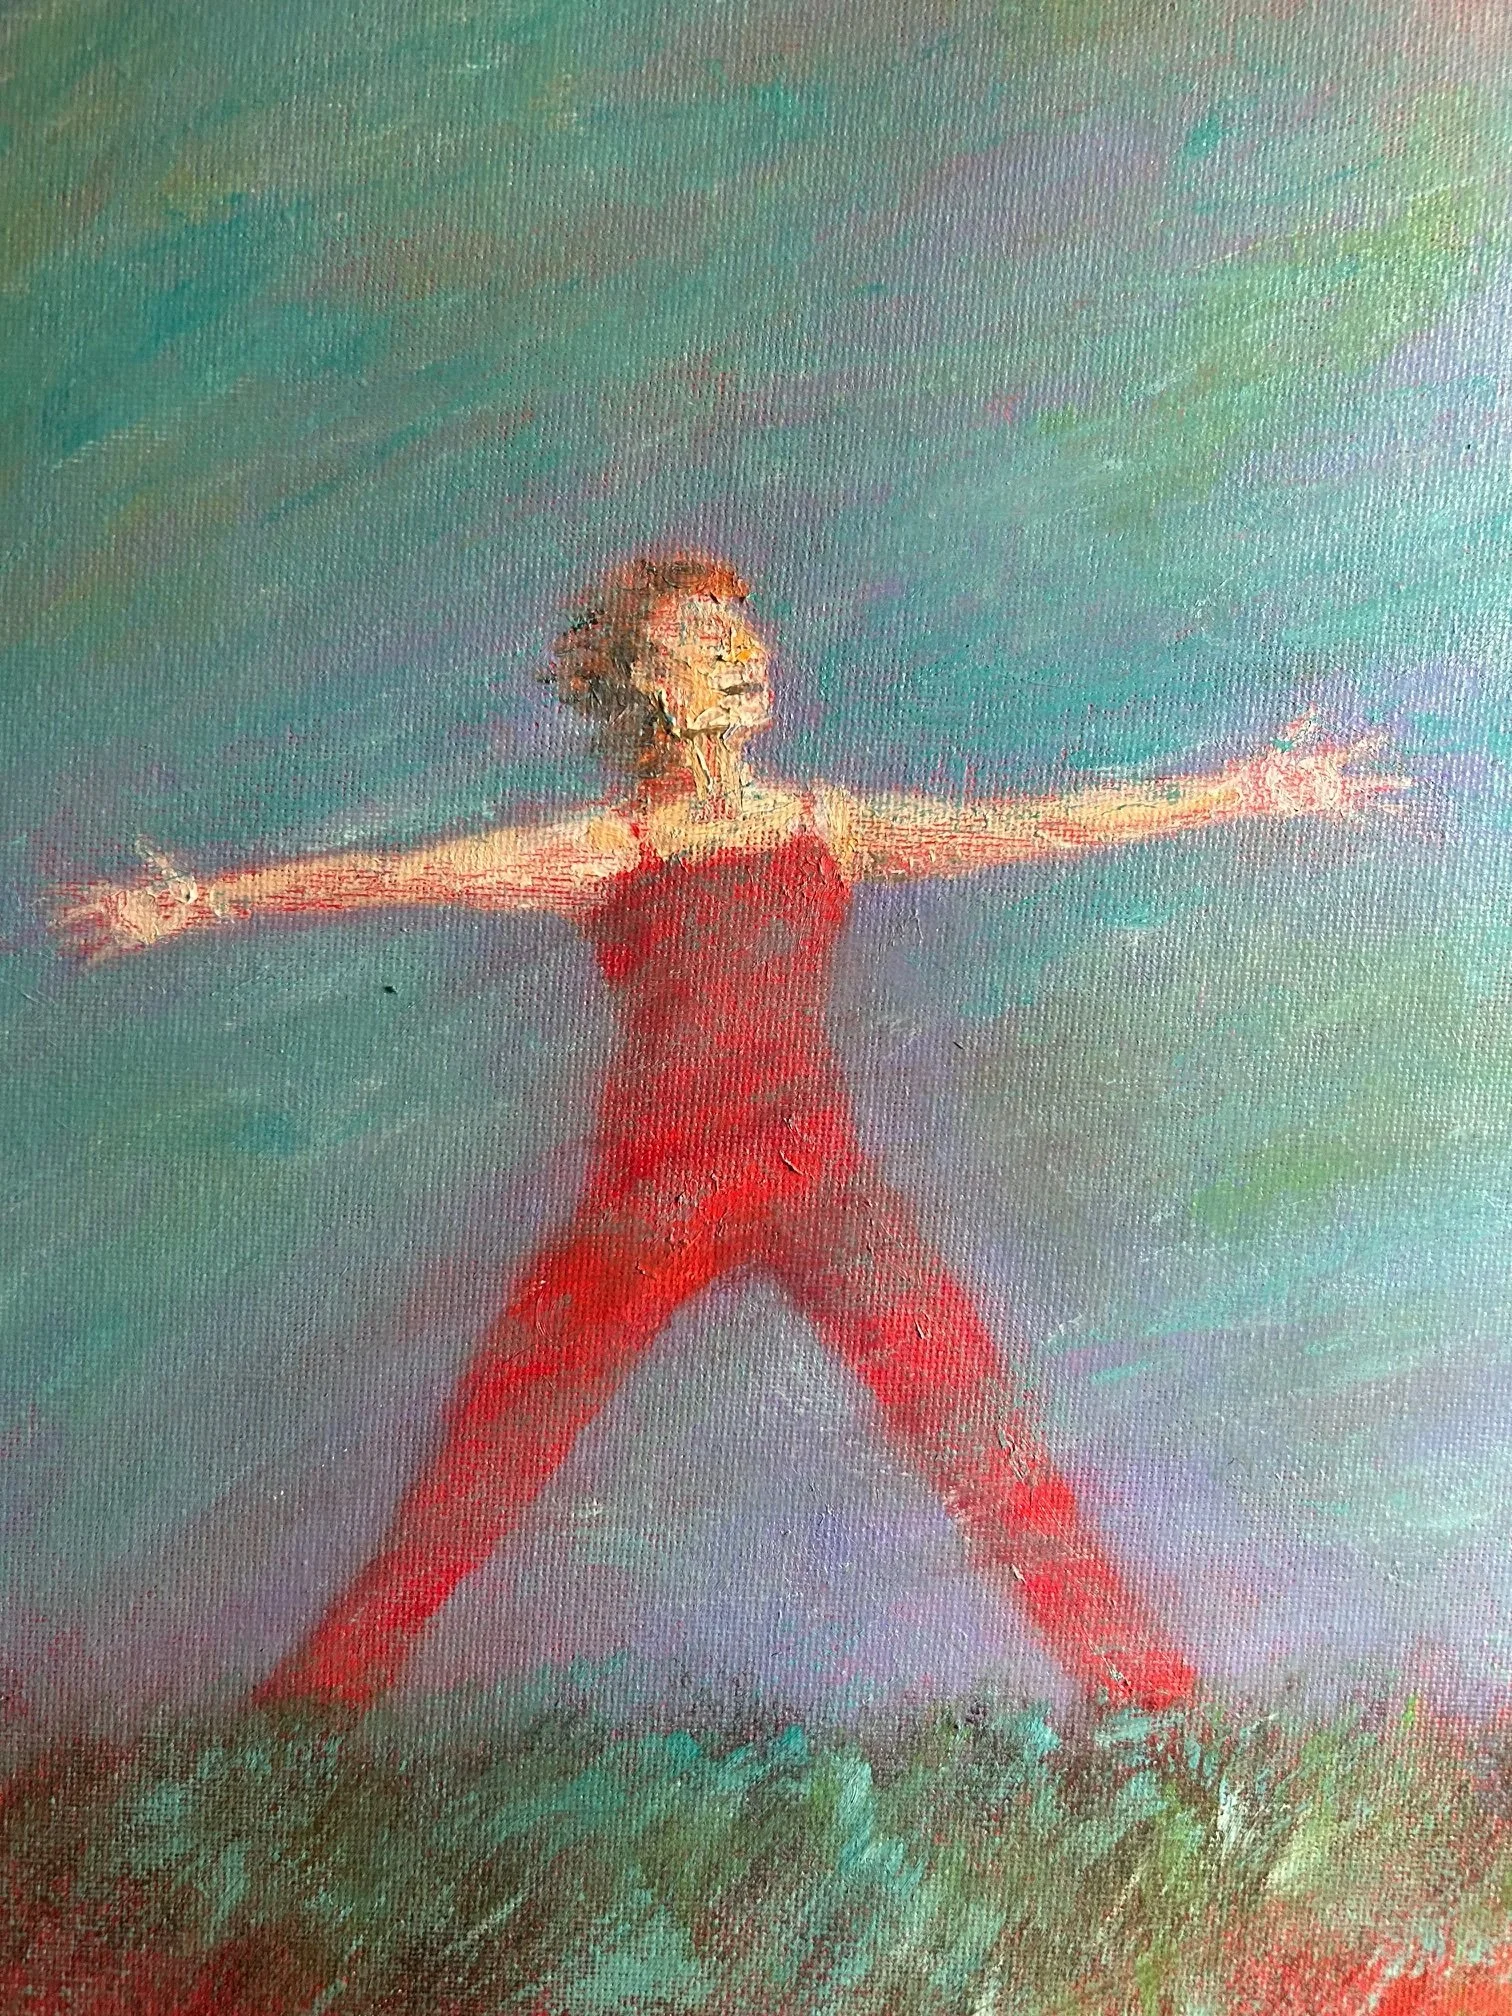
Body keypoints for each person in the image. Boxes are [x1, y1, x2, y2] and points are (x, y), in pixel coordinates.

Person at [55, 552, 1407, 1714]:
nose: (746, 658)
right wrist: (198, 905)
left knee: (978, 1430)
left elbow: (1037, 823)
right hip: (657, 1192)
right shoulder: (611, 849)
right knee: (494, 1452)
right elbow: (396, 875)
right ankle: (312, 1706)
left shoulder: (830, 827)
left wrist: (1249, 789)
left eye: (744, 638)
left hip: (817, 1179)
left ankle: (1152, 1699)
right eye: (706, 642)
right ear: (650, 684)